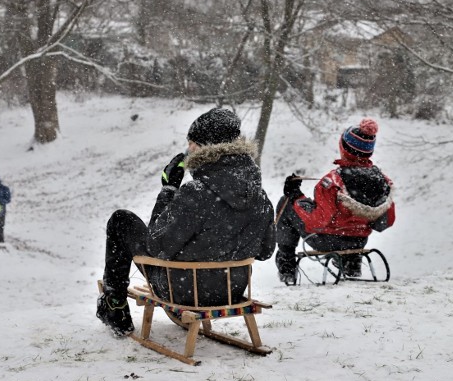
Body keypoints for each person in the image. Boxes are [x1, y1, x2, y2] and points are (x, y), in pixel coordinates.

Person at [97, 107, 276, 337]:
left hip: (183, 289)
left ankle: (114, 307)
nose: (188, 149)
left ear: (208, 146)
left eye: (193, 143)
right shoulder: (259, 196)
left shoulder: (196, 193)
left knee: (121, 220)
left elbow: (157, 247)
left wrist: (169, 190)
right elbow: (265, 251)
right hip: (231, 289)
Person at [274, 117, 396, 284]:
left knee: (285, 202)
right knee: (344, 224)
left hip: (327, 241)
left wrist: (295, 196)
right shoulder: (382, 181)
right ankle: (352, 264)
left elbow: (318, 222)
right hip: (358, 242)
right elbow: (385, 222)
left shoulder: (332, 182)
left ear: (344, 148)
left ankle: (286, 266)